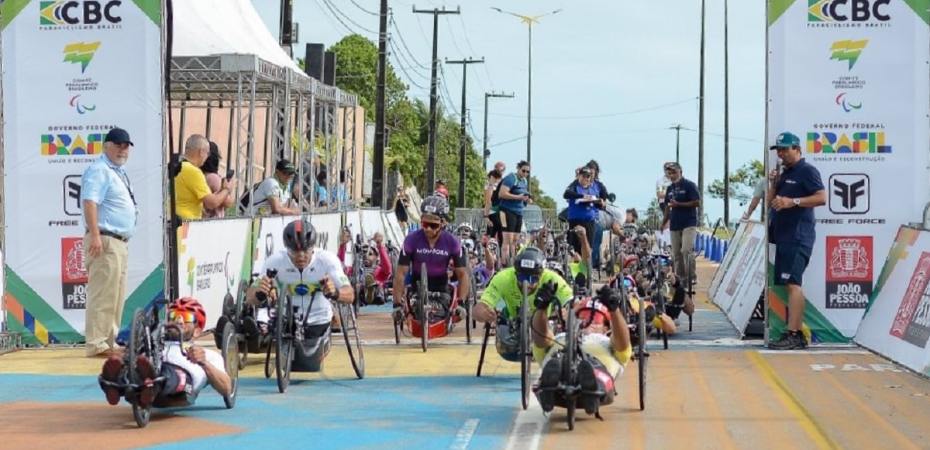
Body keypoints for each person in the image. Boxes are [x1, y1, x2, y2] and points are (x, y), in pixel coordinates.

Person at [247, 219, 355, 363]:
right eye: (294, 251)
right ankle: (261, 332)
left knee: (309, 363)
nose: (301, 256)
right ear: (287, 248)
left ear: (313, 247)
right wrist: (259, 292)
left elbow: (350, 294)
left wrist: (335, 293)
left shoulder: (327, 260)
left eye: (306, 250)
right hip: (287, 320)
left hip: (318, 318)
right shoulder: (275, 261)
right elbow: (249, 297)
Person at [98, 297, 232, 408]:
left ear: (197, 330)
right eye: (173, 316)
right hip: (147, 369)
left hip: (181, 387)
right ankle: (115, 385)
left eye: (185, 317)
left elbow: (227, 388)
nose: (178, 320)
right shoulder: (154, 340)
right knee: (128, 367)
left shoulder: (207, 354)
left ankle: (151, 385)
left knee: (169, 373)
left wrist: (204, 363)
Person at [81, 127, 138, 358]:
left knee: (115, 293)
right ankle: (97, 343)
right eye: (118, 145)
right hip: (105, 238)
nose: (122, 150)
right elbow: (90, 202)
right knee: (103, 292)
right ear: (106, 145)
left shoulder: (117, 171)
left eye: (126, 146)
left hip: (118, 241)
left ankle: (109, 341)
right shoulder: (99, 170)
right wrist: (95, 234)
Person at [766, 132, 826, 350]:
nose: (781, 153)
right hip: (783, 236)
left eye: (785, 149)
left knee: (793, 284)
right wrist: (774, 183)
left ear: (797, 148)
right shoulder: (786, 173)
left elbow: (821, 197)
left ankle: (795, 334)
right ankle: (792, 331)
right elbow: (770, 202)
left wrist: (793, 201)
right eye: (778, 150)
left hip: (798, 236)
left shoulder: (807, 171)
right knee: (788, 284)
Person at [534, 284, 633, 416]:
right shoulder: (560, 337)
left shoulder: (607, 342)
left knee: (591, 368)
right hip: (562, 363)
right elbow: (540, 338)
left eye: (595, 321)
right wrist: (541, 308)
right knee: (556, 362)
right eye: (582, 318)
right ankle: (550, 384)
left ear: (606, 328)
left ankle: (590, 386)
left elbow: (622, 344)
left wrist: (614, 310)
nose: (588, 324)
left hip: (597, 368)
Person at [473, 246, 573, 363]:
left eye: (533, 279)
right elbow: (479, 308)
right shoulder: (503, 277)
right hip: (513, 325)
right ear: (515, 273)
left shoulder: (552, 278)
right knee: (506, 347)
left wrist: (568, 311)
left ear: (541, 274)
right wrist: (484, 313)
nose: (528, 283)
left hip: (544, 325)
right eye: (522, 277)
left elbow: (571, 301)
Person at [392, 195, 470, 315]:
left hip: (441, 288)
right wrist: (397, 304)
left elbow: (462, 274)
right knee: (416, 309)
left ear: (443, 223)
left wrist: (461, 303)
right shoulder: (411, 240)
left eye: (433, 225)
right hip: (417, 287)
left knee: (441, 312)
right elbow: (400, 273)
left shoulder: (452, 242)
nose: (428, 229)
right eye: (425, 224)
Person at [174, 134, 236, 220]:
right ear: (201, 152)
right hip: (188, 221)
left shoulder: (178, 166)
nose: (207, 157)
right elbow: (212, 203)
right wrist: (227, 189)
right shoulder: (193, 172)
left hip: (176, 219)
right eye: (207, 153)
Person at [661, 162, 700, 297]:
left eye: (674, 172)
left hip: (689, 222)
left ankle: (692, 276)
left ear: (680, 172)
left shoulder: (689, 185)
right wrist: (664, 222)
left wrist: (680, 204)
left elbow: (696, 202)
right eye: (669, 173)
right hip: (675, 224)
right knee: (676, 253)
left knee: (686, 250)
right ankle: (681, 278)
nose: (672, 175)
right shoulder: (670, 189)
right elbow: (667, 206)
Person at [497, 161, 533, 265]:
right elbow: (502, 194)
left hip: (518, 211)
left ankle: (513, 262)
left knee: (515, 240)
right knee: (507, 239)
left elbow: (523, 194)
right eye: (523, 171)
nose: (525, 173)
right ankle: (504, 263)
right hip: (507, 210)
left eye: (527, 172)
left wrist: (526, 199)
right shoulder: (511, 178)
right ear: (518, 168)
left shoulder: (524, 181)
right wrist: (519, 197)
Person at [563, 166, 604, 255]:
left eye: (588, 176)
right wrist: (582, 196)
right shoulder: (575, 185)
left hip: (589, 222)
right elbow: (566, 194)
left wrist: (599, 202)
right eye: (583, 176)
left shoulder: (593, 188)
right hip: (576, 221)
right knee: (575, 248)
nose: (585, 178)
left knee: (588, 248)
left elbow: (598, 204)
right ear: (579, 176)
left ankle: (587, 266)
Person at [202, 141, 233, 219]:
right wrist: (227, 189)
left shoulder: (200, 175)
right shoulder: (213, 178)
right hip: (212, 221)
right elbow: (227, 202)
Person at [483, 169, 504, 243]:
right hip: (494, 212)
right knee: (493, 235)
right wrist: (486, 216)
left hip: (500, 212)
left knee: (499, 235)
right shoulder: (489, 187)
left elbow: (488, 201)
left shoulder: (500, 187)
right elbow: (488, 201)